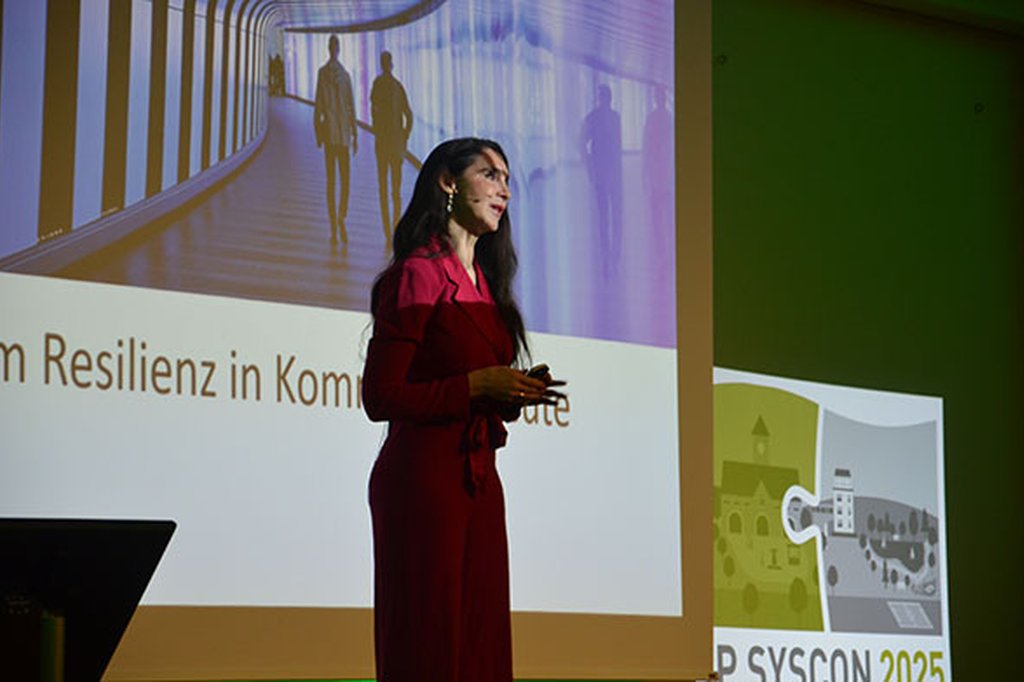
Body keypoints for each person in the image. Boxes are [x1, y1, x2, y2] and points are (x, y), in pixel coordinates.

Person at [362, 138, 564, 681]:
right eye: (489, 174)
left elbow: (475, 385)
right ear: (448, 183)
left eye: (507, 179)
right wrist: (475, 386)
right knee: (431, 643)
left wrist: (512, 391)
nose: (504, 190)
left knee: (480, 643)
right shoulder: (417, 273)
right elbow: (380, 397)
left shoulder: (487, 285)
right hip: (424, 479)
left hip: (479, 481)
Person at [313, 34, 357, 243]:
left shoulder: (325, 74)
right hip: (340, 135)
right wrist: (354, 133)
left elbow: (319, 104)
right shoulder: (343, 75)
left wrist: (318, 132)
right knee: (342, 180)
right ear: (335, 49)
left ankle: (336, 221)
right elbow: (349, 105)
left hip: (333, 135)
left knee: (333, 181)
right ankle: (339, 218)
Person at [370, 50, 414, 247]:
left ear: (382, 64)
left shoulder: (378, 85)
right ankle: (395, 229)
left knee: (383, 187)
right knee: (396, 190)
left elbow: (374, 111)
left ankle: (388, 232)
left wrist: (378, 129)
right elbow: (409, 115)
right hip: (396, 144)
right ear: (392, 64)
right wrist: (404, 136)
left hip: (382, 143)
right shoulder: (397, 86)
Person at [580, 84, 623, 272]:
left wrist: (590, 166)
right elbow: (582, 143)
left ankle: (611, 255)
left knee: (607, 216)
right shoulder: (598, 118)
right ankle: (609, 255)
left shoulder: (607, 118)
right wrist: (590, 167)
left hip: (608, 173)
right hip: (606, 174)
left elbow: (583, 143)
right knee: (607, 216)